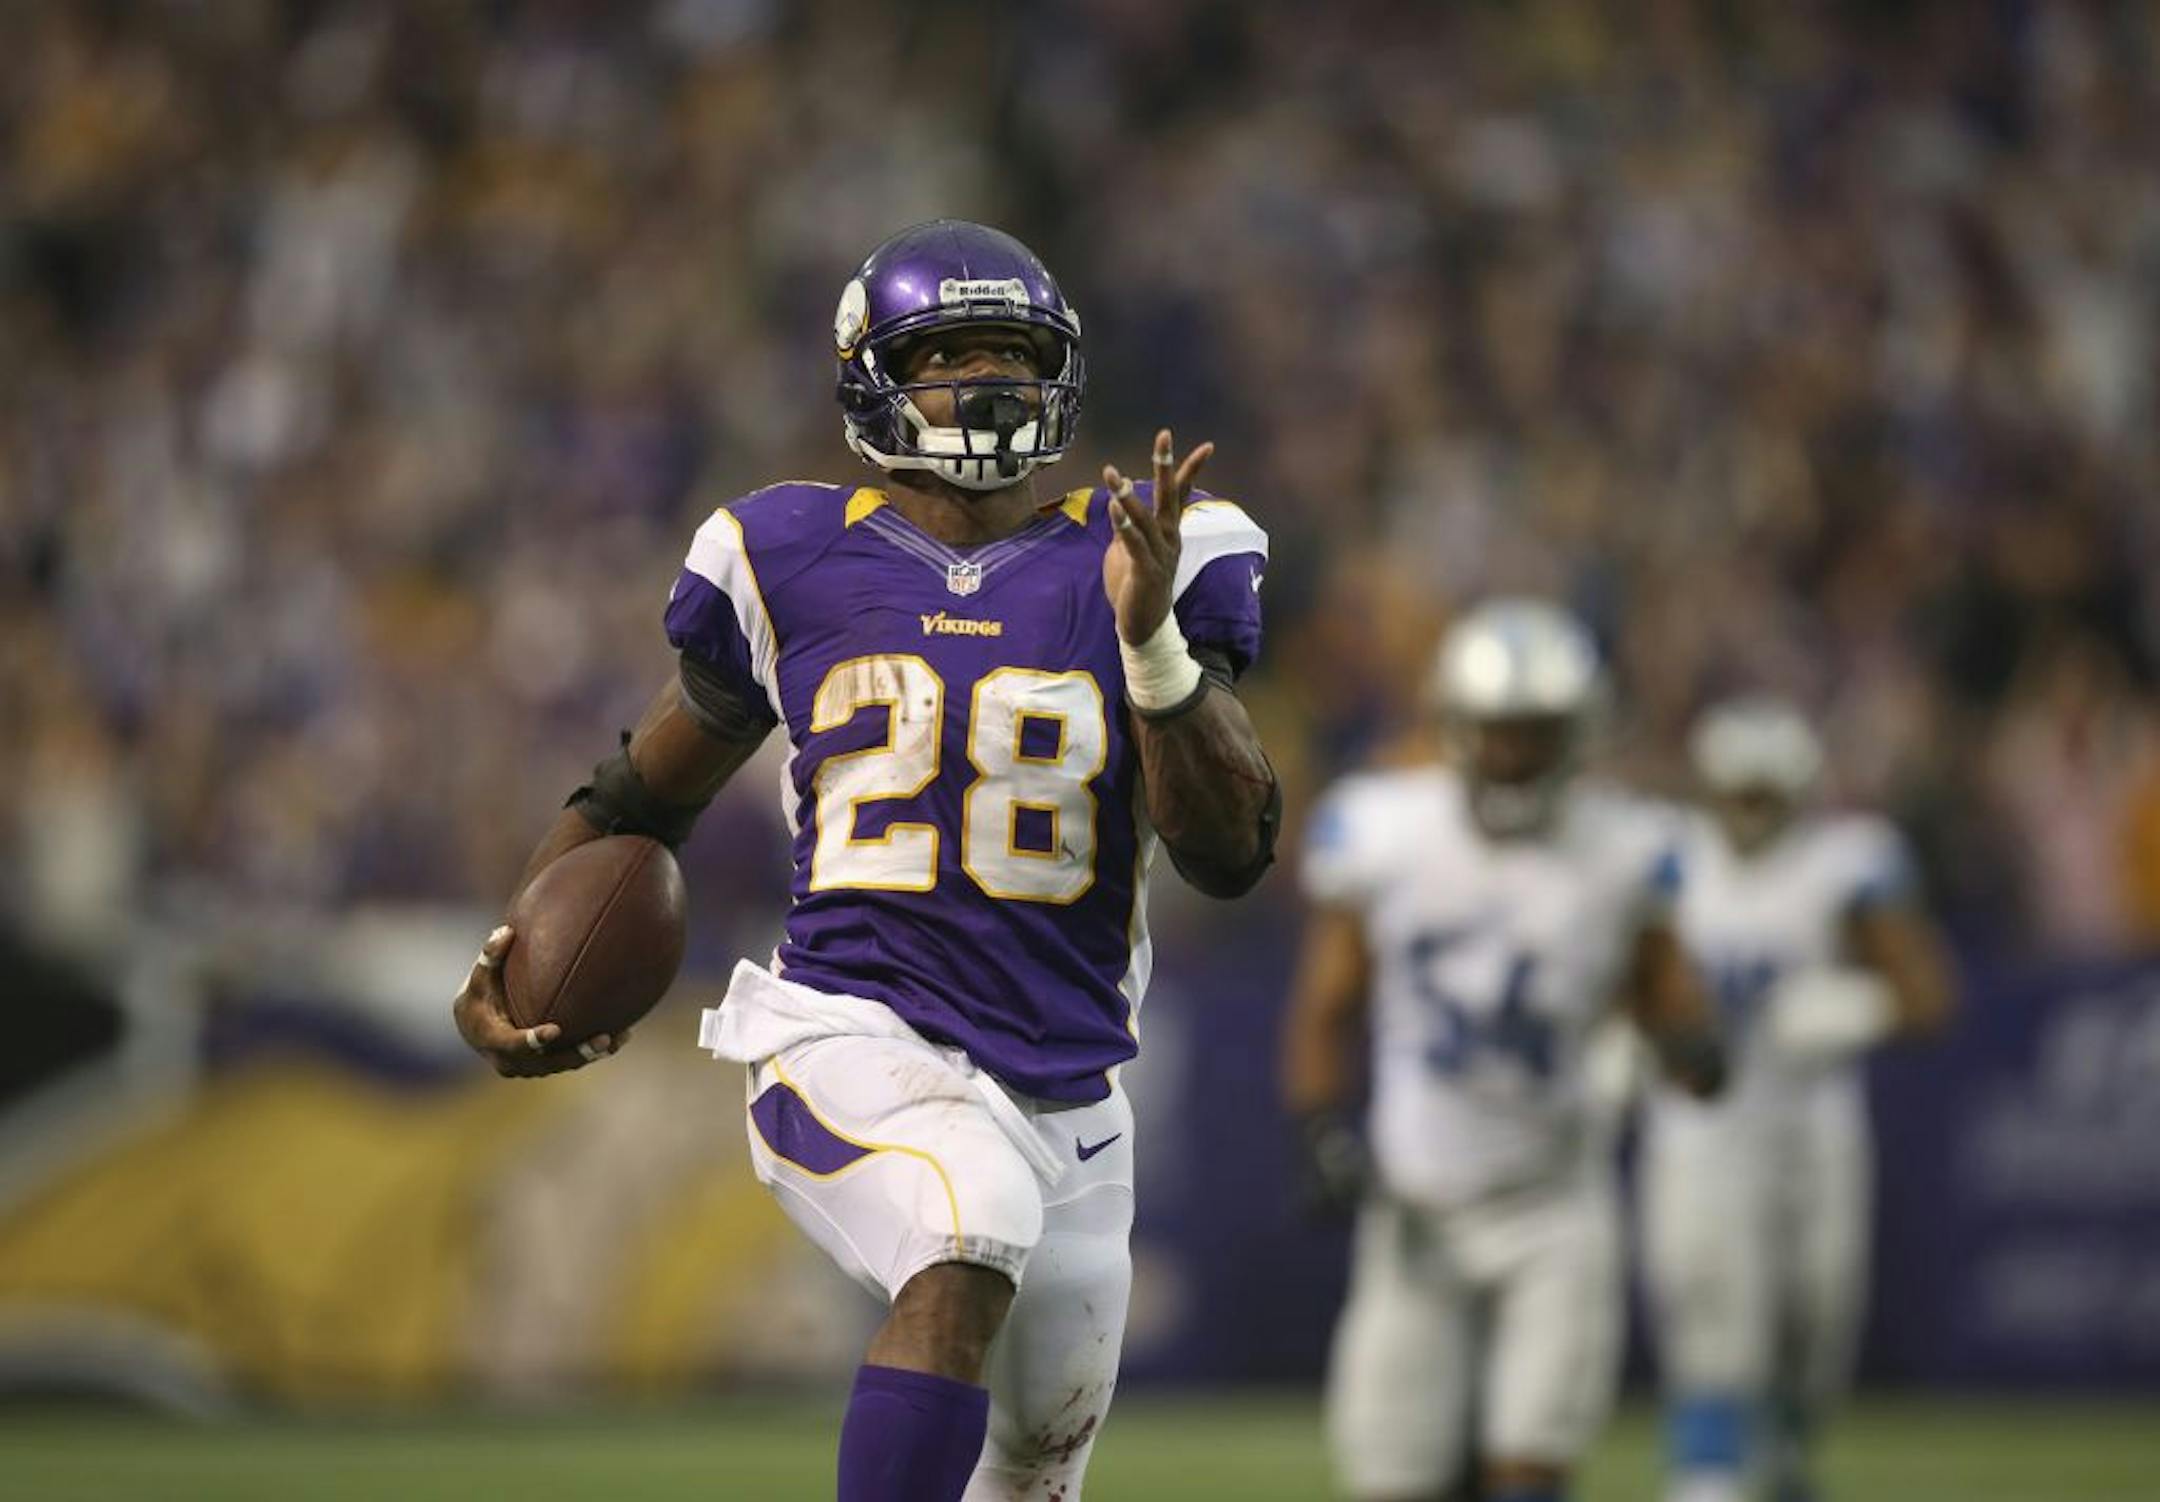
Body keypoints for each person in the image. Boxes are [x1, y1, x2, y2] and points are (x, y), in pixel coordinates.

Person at [449, 220, 1280, 1501]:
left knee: (1037, 1464)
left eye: (1013, 352)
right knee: (966, 1224)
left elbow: (1228, 853)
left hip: (1070, 1089)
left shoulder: (1149, 551)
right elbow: (638, 798)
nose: (989, 381)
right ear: (872, 376)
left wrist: (1154, 643)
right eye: (950, 354)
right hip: (849, 1035)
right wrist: (512, 959)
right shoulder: (789, 554)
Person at [1282, 598, 1724, 1502]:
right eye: (1499, 732)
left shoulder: (1627, 848)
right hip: (1417, 1205)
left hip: (1555, 1203)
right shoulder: (1388, 830)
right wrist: (1322, 1129)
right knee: (1394, 1476)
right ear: (1455, 728)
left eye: (1537, 733)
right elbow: (1327, 1006)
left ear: (1579, 736)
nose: (1516, 754)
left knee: (1528, 1468)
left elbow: (1674, 1003)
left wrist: (1689, 1049)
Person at [1643, 696, 1954, 1502]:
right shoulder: (1665, 859)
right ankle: (1706, 1478)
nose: (1750, 811)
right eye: (1737, 792)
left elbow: (1929, 996)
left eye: (1766, 793)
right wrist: (1629, 1039)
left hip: (1813, 1127)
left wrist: (1858, 1008)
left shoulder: (1844, 862)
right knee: (1716, 1325)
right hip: (1701, 1126)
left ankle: (1779, 1460)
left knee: (1818, 1325)